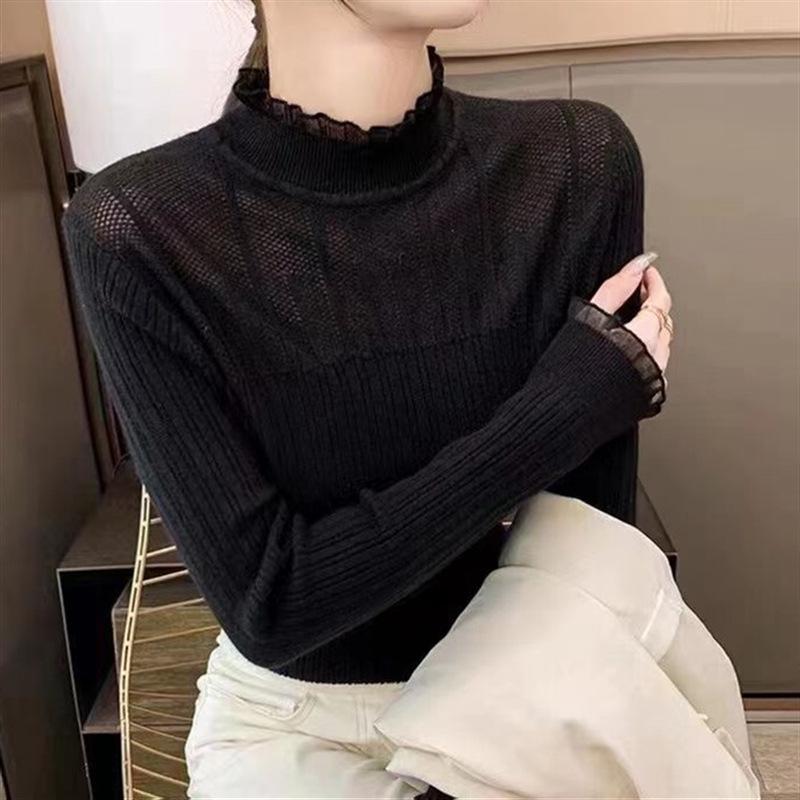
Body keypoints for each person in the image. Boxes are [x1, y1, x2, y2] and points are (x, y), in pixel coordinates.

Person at [61, 0, 673, 795]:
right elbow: (272, 605)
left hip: (526, 694)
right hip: (292, 730)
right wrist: (564, 409)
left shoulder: (575, 164)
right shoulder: (138, 230)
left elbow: (585, 559)